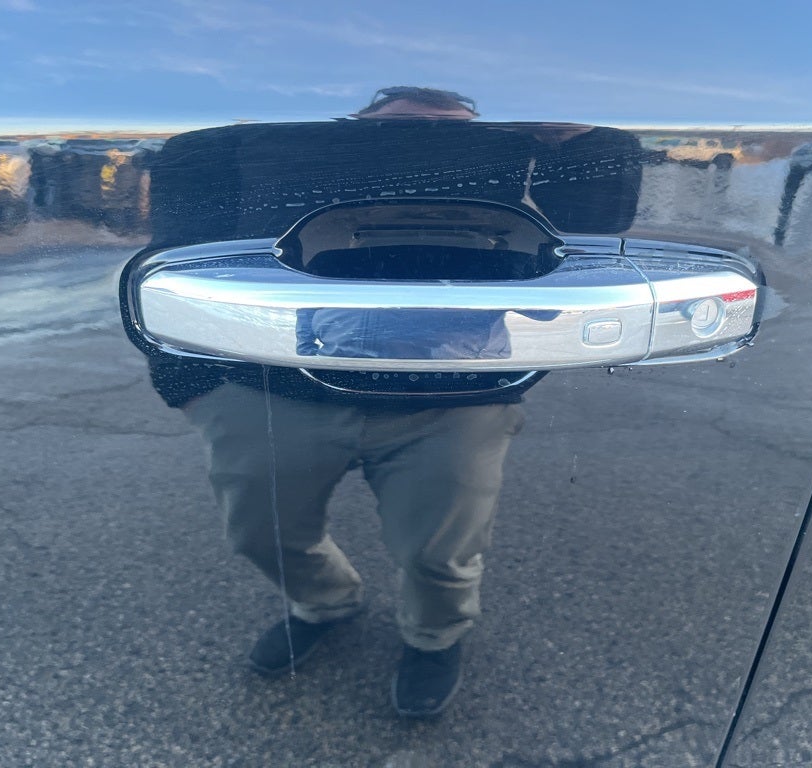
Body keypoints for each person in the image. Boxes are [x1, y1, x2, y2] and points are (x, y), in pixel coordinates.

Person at [130, 87, 643, 718]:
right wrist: (189, 382)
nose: (422, 137)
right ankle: (323, 603)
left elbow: (594, 231)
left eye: (442, 128)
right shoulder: (258, 133)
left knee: (440, 552)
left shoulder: (508, 146)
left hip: (457, 390)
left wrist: (583, 144)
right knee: (262, 534)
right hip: (267, 386)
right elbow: (173, 253)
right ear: (355, 117)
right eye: (397, 127)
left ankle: (435, 636)